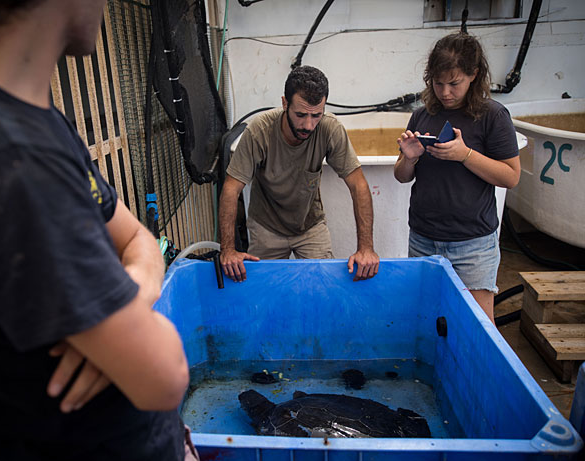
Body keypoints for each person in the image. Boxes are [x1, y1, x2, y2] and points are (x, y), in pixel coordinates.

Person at [0, 1, 199, 461]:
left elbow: (140, 240)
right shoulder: (4, 156)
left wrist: (128, 304)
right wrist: (133, 331)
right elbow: (164, 376)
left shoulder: (35, 120)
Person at [394, 32, 521, 323]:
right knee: (425, 320)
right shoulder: (422, 115)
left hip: (473, 244)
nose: (445, 92)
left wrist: (465, 155)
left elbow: (511, 176)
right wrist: (410, 158)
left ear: (474, 75)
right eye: (438, 83)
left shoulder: (493, 116)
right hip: (423, 239)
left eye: (454, 83)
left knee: (477, 327)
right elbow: (401, 176)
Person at [219, 65, 380, 282]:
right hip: (266, 226)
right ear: (285, 103)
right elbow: (231, 188)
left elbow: (358, 185)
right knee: (266, 290)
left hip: (310, 226)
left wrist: (366, 248)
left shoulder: (330, 128)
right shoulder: (259, 131)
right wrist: (228, 250)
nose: (308, 125)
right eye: (301, 114)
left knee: (322, 286)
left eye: (316, 115)